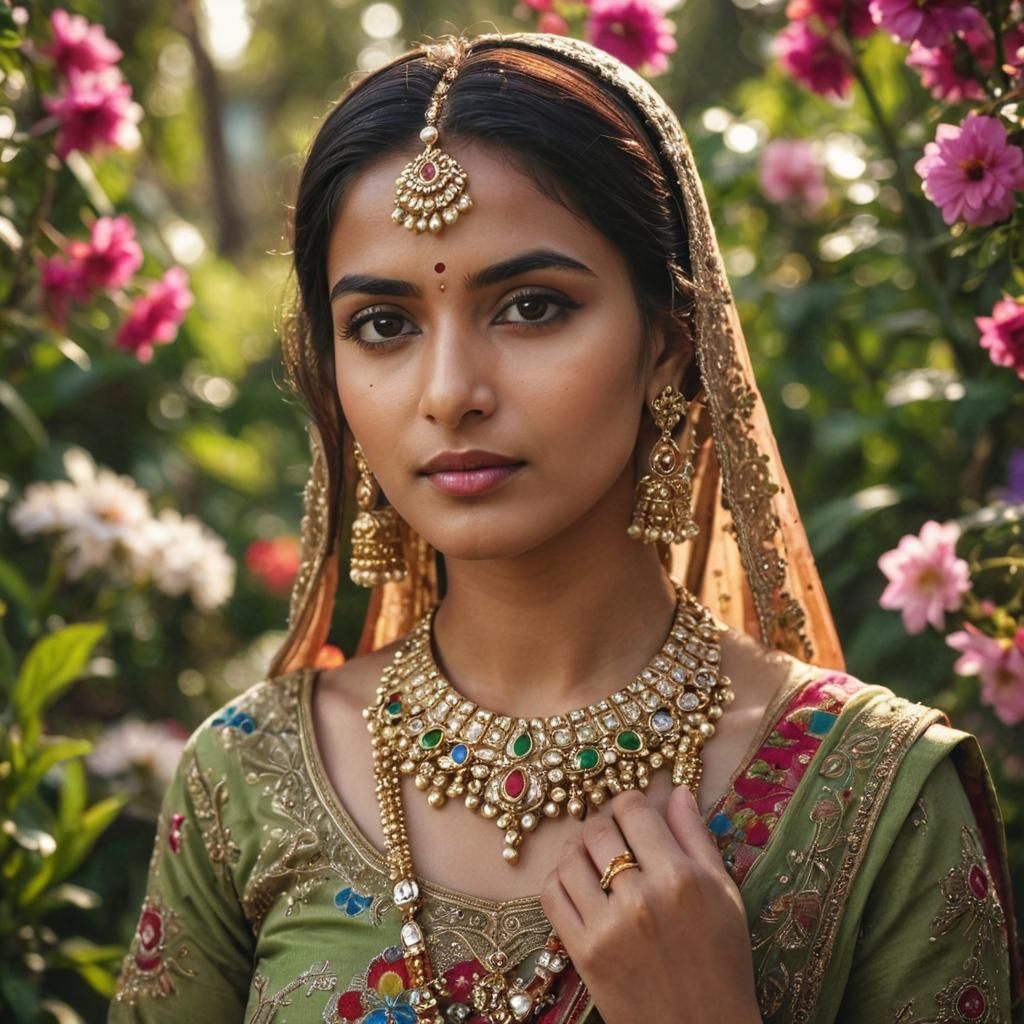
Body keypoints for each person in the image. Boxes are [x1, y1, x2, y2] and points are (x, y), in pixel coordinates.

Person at [108, 32, 1022, 1024]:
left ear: (670, 346)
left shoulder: (875, 793)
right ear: (331, 373)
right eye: (384, 323)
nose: (450, 391)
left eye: (532, 307)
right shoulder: (247, 779)